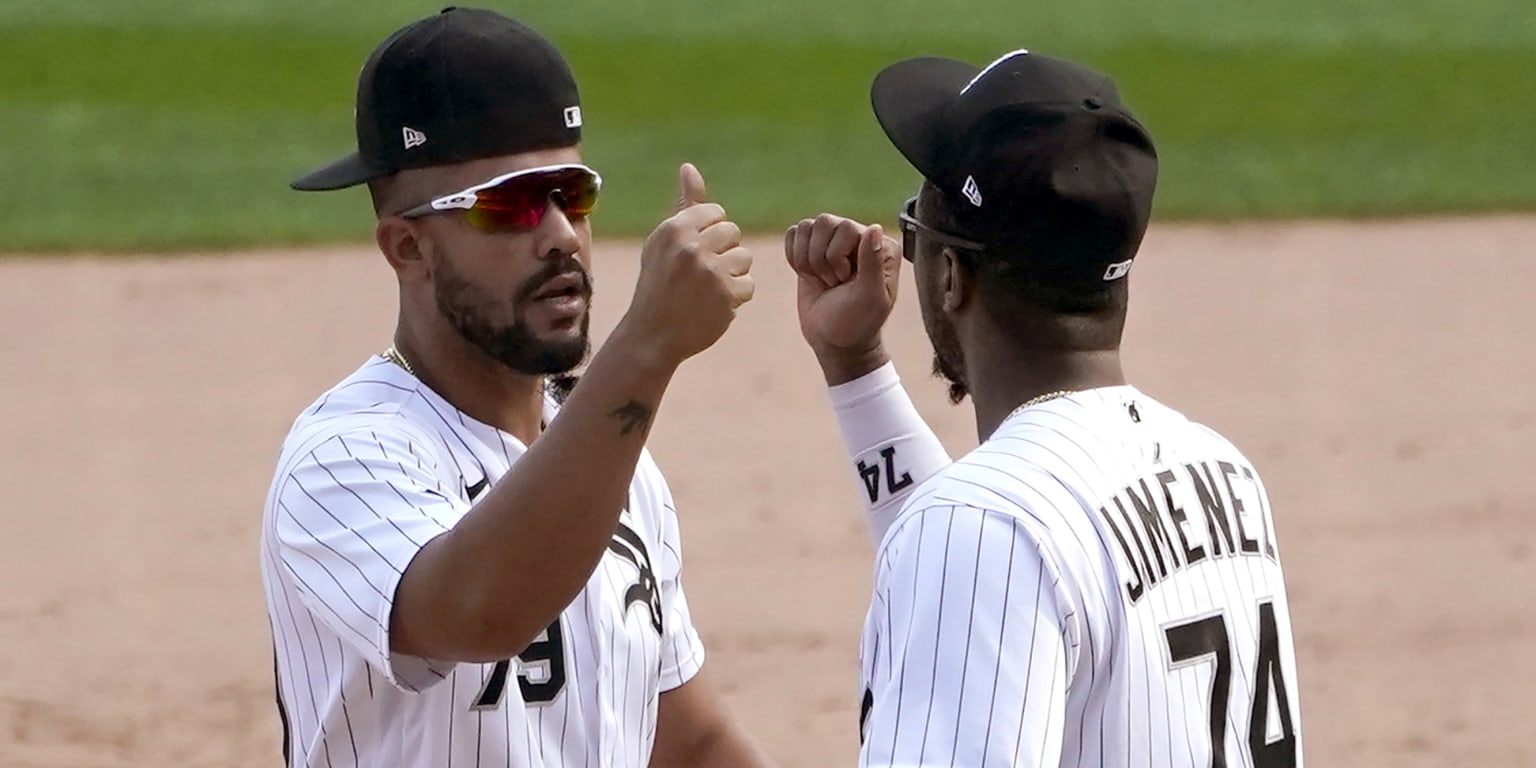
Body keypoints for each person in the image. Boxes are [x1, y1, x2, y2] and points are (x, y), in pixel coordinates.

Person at [260, 7, 772, 767]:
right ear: (409, 247)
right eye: (512, 204)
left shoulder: (612, 457)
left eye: (572, 192)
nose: (560, 232)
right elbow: (477, 611)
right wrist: (648, 346)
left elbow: (688, 744)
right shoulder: (344, 459)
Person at [785, 50, 1304, 766]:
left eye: (918, 237)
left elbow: (984, 541)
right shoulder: (1223, 474)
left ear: (948, 277)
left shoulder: (983, 527)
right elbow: (999, 548)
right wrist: (856, 367)